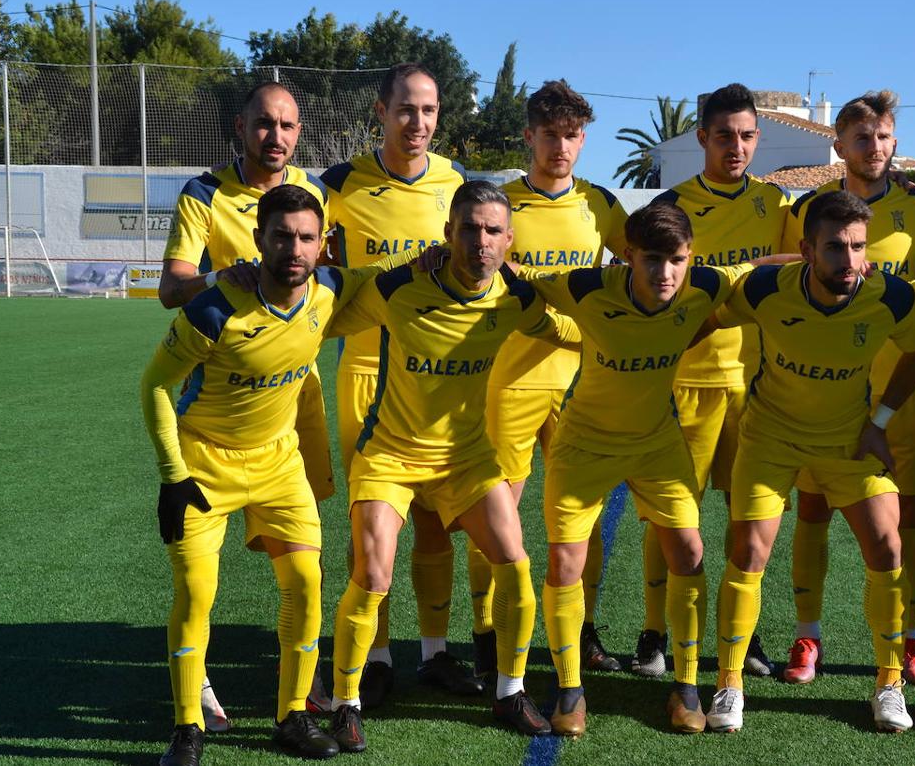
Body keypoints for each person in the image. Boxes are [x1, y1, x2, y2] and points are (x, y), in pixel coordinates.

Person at [521, 201, 795, 735]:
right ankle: (571, 690)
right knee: (565, 564)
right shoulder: (585, 286)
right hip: (585, 445)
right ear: (627, 256)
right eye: (652, 259)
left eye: (677, 259)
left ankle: (687, 687)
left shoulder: (705, 285)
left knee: (689, 552)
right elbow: (520, 275)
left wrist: (836, 265)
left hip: (656, 443)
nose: (665, 273)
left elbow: (764, 265)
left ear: (690, 257)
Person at [325, 181, 574, 748]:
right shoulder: (399, 286)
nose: (479, 242)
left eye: (492, 231)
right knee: (373, 572)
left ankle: (509, 690)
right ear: (447, 233)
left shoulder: (515, 296)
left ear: (509, 241)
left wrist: (633, 329)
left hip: (465, 458)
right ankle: (345, 700)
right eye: (469, 228)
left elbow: (569, 331)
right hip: (390, 454)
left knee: (514, 564)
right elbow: (321, 313)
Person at [143, 185, 369, 765]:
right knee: (196, 593)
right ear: (258, 240)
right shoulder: (214, 308)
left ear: (323, 246)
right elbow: (156, 387)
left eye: (306, 238)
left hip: (278, 463)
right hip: (203, 466)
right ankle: (186, 727)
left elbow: (395, 280)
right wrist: (173, 475)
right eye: (282, 236)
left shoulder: (330, 291)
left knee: (306, 583)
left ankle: (292, 716)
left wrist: (437, 260)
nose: (294, 248)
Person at [708, 190, 915, 734]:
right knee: (748, 549)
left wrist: (880, 420)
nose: (849, 260)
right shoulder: (765, 289)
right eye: (835, 247)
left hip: (847, 442)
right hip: (770, 438)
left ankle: (888, 684)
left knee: (888, 543)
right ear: (807, 250)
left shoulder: (891, 299)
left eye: (858, 247)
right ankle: (728, 684)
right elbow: (706, 318)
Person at [159, 81, 333, 726]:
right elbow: (172, 289)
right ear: (240, 127)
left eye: (287, 125)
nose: (276, 137)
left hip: (294, 397)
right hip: (221, 389)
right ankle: (193, 680)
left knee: (302, 555)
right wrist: (216, 277)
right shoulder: (204, 194)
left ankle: (300, 692)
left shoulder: (314, 190)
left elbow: (330, 269)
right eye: (264, 124)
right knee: (201, 572)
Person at [777, 91, 915, 688]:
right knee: (814, 506)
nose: (873, 148)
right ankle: (809, 634)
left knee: (906, 515)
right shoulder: (809, 209)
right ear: (839, 145)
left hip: (898, 394)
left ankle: (908, 638)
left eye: (882, 137)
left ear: (895, 141)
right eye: (861, 138)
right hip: (822, 396)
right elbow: (782, 277)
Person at [320, 62, 476, 705]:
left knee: (438, 525)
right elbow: (298, 242)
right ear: (380, 113)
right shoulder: (336, 184)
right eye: (406, 109)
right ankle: (376, 657)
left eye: (430, 111)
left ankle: (435, 653)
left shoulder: (456, 183)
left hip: (439, 384)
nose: (419, 123)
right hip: (366, 376)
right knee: (373, 531)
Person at [477, 79, 629, 677]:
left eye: (571, 136)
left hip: (581, 384)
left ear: (583, 139)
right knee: (498, 513)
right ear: (529, 136)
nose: (560, 147)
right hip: (508, 382)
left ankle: (584, 629)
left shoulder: (600, 205)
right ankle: (487, 635)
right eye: (550, 135)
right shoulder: (502, 204)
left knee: (581, 514)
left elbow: (645, 262)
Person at [639, 82, 791, 679]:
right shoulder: (673, 205)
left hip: (756, 386)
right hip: (689, 380)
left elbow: (794, 267)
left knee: (747, 516)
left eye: (747, 135)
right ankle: (654, 631)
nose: (736, 145)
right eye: (724, 134)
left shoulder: (777, 205)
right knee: (673, 513)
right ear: (701, 136)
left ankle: (741, 635)